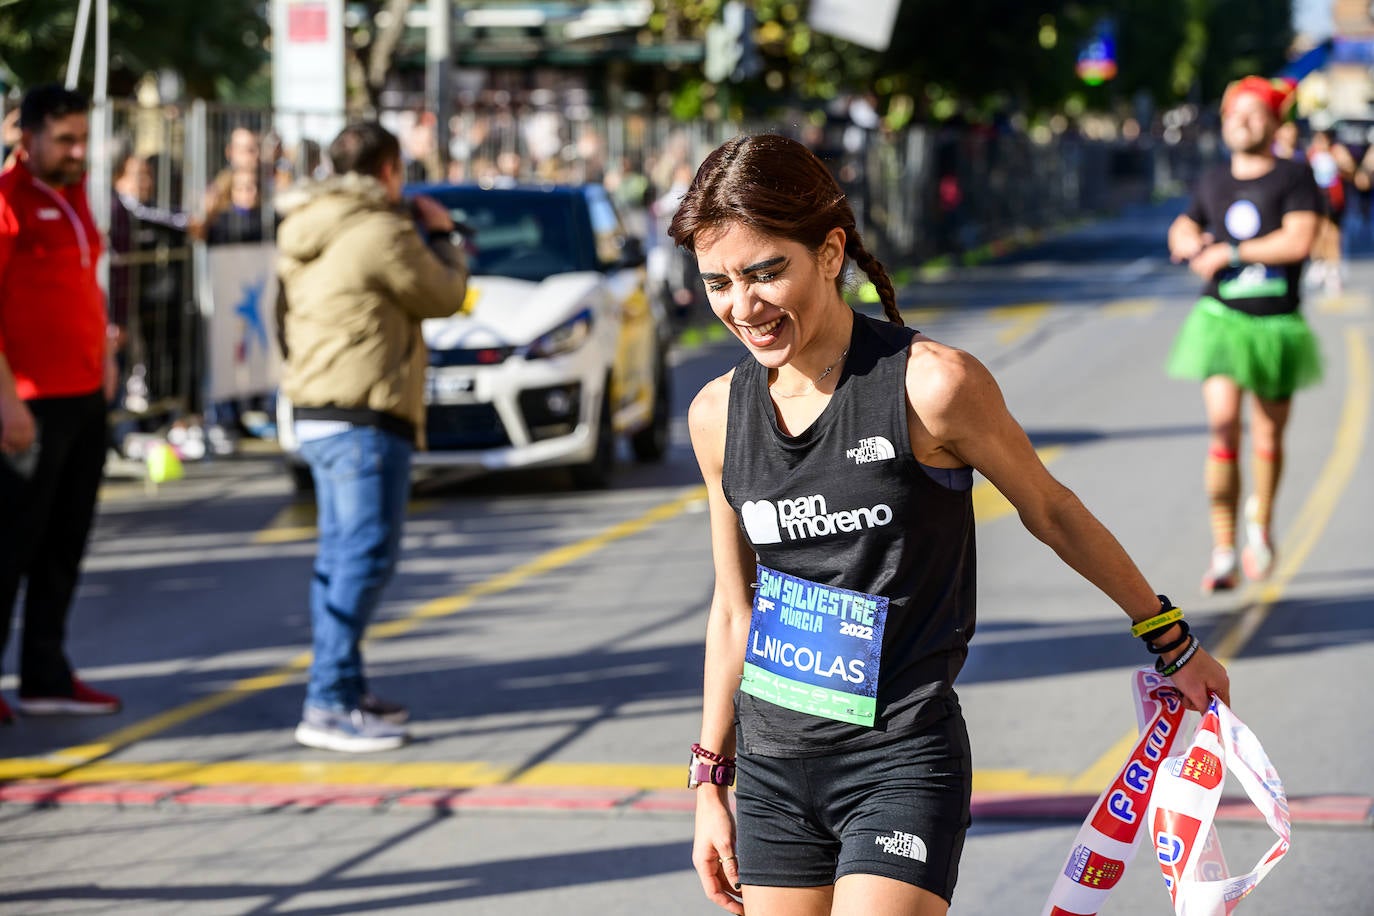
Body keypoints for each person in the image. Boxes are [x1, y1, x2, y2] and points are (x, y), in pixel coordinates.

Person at [670, 133, 1231, 916]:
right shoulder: (715, 416)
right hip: (773, 771)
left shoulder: (930, 386)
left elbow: (1053, 510)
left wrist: (1169, 636)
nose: (742, 306)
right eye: (718, 282)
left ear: (830, 253)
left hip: (900, 759)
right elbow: (735, 608)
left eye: (767, 272)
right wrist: (709, 779)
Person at [275, 120, 469, 752]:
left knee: (339, 560)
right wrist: (440, 233)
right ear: (388, 169)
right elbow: (443, 293)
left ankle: (346, 687)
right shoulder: (380, 229)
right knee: (363, 557)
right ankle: (327, 702)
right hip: (364, 413)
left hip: (318, 405)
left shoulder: (308, 223)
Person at [1165, 76, 1323, 594]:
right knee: (1224, 428)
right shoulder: (1211, 181)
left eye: (1255, 114)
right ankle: (1224, 548)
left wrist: (1230, 253)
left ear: (1275, 123)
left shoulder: (1295, 177)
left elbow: (1300, 240)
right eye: (1236, 113)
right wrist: (1185, 236)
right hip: (1221, 321)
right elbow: (1184, 225)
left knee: (1270, 434)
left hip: (1276, 325)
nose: (1242, 121)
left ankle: (1261, 524)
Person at [0, 84, 122, 724]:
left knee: (64, 544)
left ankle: (46, 673)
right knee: (10, 547)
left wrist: (106, 358)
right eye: (65, 140)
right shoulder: (6, 201)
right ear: (29, 136)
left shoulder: (76, 197)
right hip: (28, 406)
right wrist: (6, 402)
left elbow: (85, 289)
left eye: (83, 139)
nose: (78, 152)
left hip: (82, 397)